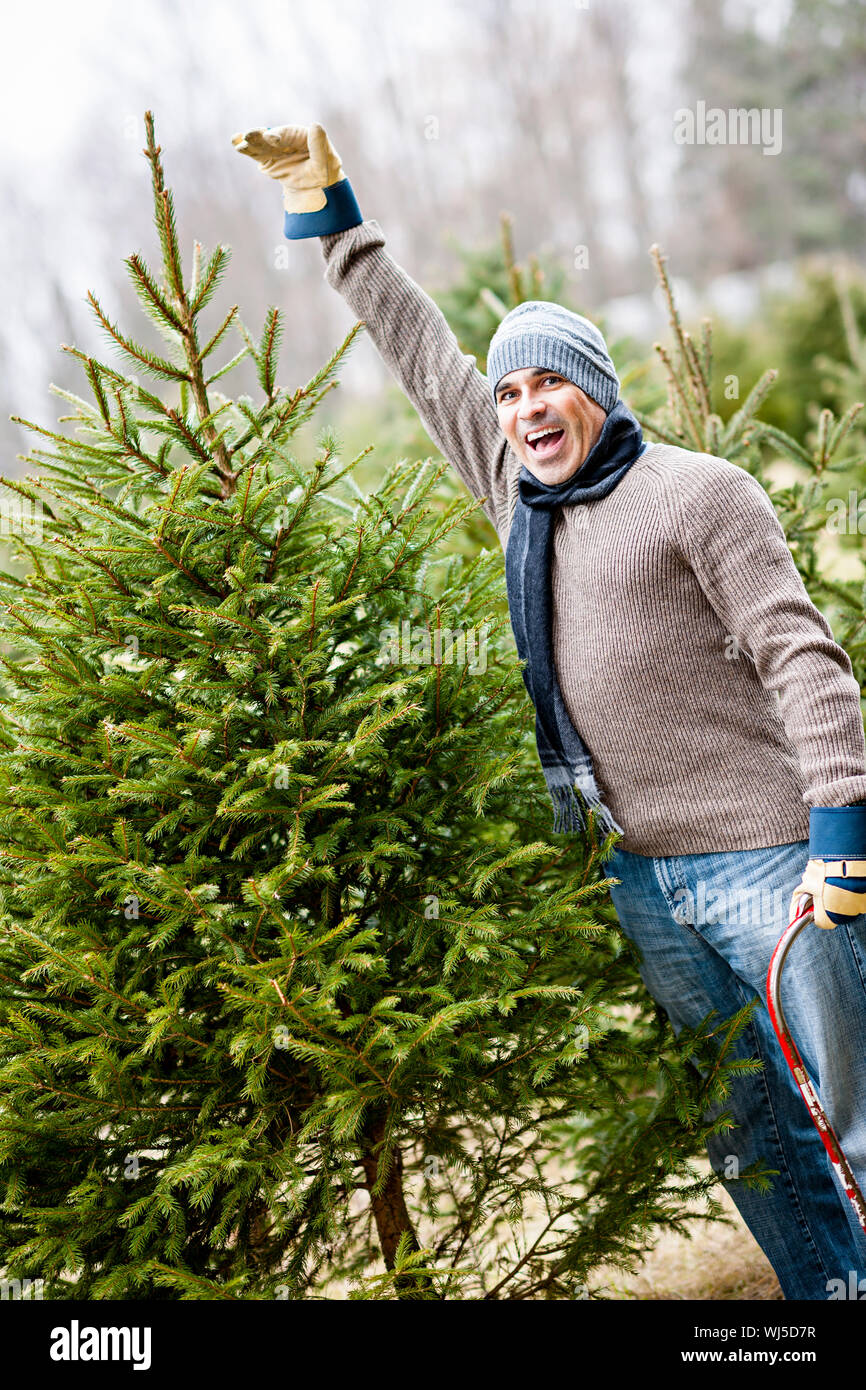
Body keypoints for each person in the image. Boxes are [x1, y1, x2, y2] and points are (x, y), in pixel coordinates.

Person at [233, 122, 866, 1299]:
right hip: (643, 881)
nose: (523, 408)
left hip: (769, 860)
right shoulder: (517, 494)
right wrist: (330, 213)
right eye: (509, 388)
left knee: (856, 1115)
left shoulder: (698, 494)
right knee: (747, 1134)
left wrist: (839, 839)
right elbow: (420, 352)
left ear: (596, 393)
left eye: (547, 384)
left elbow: (803, 657)